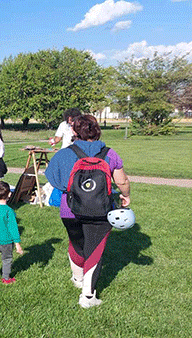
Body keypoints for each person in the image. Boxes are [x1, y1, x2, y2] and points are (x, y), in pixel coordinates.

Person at [45, 115, 131, 308]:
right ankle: (88, 297)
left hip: (70, 210)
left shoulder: (64, 154)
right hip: (101, 210)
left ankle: (77, 279)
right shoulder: (110, 153)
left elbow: (52, 178)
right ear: (97, 129)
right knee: (95, 249)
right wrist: (126, 196)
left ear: (74, 132)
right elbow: (122, 181)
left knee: (76, 243)